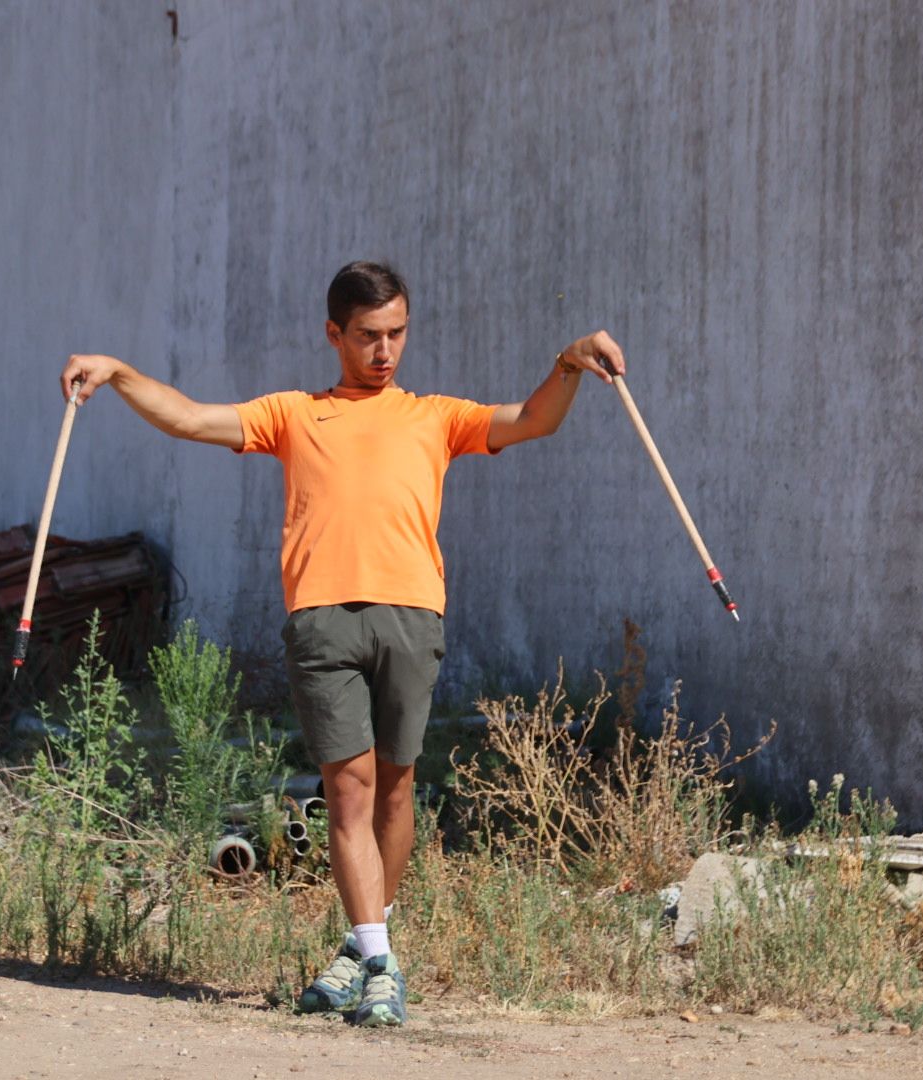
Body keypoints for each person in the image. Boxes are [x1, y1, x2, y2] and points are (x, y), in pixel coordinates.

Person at [60, 261, 624, 1027]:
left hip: (413, 617)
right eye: (367, 337)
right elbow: (191, 418)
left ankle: (361, 947)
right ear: (335, 334)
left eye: (396, 334)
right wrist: (119, 372)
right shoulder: (295, 414)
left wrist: (570, 363)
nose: (384, 351)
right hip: (323, 620)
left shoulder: (435, 416)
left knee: (396, 788)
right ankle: (384, 964)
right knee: (349, 790)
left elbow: (532, 420)